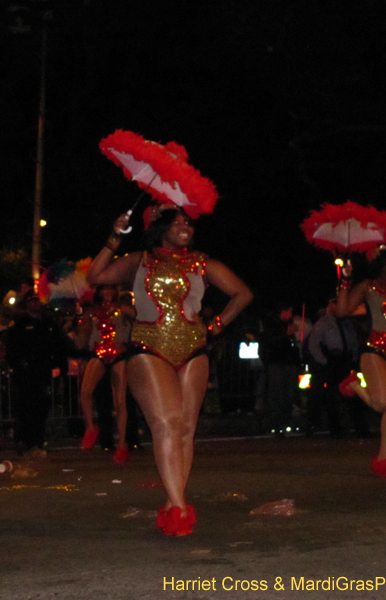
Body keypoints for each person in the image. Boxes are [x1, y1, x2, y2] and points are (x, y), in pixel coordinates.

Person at [87, 204, 253, 536]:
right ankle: (179, 507)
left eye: (187, 222)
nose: (184, 226)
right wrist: (115, 236)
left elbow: (242, 294)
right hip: (149, 348)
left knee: (186, 430)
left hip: (193, 350)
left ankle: (172, 501)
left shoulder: (202, 262)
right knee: (167, 424)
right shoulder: (139, 261)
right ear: (159, 228)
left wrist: (216, 326)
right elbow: (95, 277)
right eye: (176, 222)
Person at [334, 246, 386, 477]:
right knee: (382, 403)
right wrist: (345, 279)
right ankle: (353, 384)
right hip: (374, 348)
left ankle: (383, 458)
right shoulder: (366, 286)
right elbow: (342, 311)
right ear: (380, 263)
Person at [4, 294, 69, 456]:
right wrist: (18, 365)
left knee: (41, 407)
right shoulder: (19, 322)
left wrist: (60, 364)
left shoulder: (47, 322)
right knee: (25, 407)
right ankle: (24, 440)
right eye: (31, 301)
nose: (34, 303)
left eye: (36, 300)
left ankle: (38, 441)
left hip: (43, 371)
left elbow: (59, 343)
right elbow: (11, 346)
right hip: (25, 373)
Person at [77, 285, 135, 462]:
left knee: (120, 403)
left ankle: (122, 444)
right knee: (85, 392)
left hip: (119, 356)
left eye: (111, 289)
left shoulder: (122, 308)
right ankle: (91, 427)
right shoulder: (93, 311)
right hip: (99, 354)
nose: (108, 293)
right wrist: (84, 323)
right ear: (100, 292)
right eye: (105, 289)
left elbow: (136, 315)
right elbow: (83, 339)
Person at [305, 298, 369, 438]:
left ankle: (361, 429)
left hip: (346, 360)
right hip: (332, 360)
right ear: (330, 304)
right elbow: (313, 345)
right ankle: (336, 430)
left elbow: (353, 341)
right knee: (332, 397)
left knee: (353, 393)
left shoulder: (347, 322)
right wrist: (325, 361)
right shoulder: (323, 323)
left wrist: (354, 359)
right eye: (336, 303)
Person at [258, 302, 302, 436]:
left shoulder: (287, 326)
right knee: (277, 395)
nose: (291, 315)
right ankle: (274, 424)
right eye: (289, 311)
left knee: (289, 395)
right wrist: (285, 334)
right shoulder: (272, 325)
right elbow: (268, 343)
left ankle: (285, 424)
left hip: (288, 364)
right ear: (282, 312)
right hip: (276, 364)